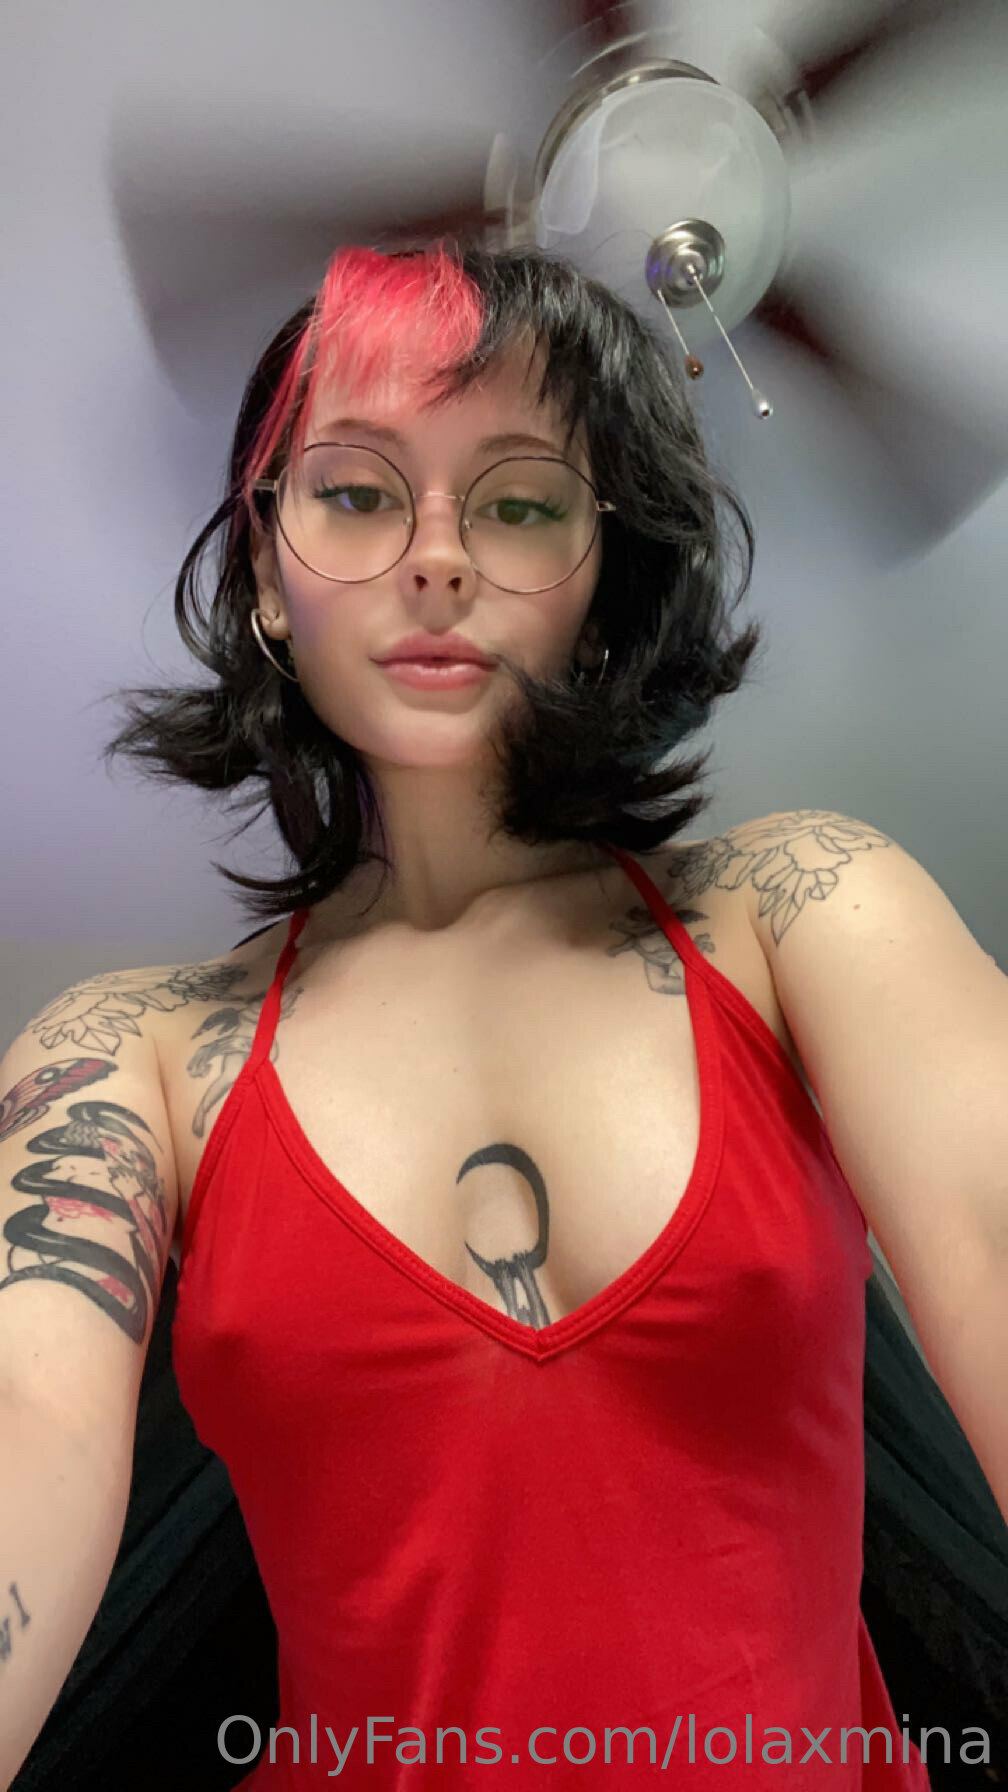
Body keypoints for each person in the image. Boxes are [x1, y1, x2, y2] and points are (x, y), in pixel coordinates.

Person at [2, 242, 951, 1787]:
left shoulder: (807, 917)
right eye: (356, 493)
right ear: (266, 576)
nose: (437, 556)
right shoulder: (132, 1059)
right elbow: (25, 1418)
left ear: (602, 582)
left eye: (517, 504)